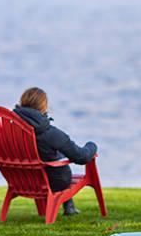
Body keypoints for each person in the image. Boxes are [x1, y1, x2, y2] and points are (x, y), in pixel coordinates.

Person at [13, 87, 97, 216]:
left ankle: (69, 207)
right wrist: (92, 145)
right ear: (43, 107)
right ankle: (69, 207)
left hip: (21, 179)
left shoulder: (10, 128)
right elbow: (81, 157)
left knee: (54, 155)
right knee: (58, 163)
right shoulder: (50, 133)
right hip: (55, 181)